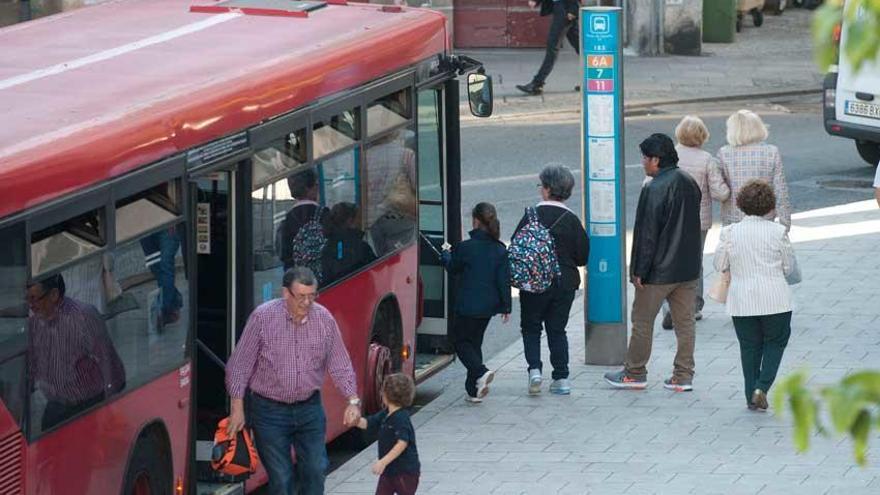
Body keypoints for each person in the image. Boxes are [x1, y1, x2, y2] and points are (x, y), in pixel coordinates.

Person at [225, 267, 361, 495]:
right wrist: (237, 407)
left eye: (312, 295)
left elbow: (340, 363)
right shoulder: (263, 318)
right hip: (269, 412)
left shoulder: (324, 319)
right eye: (301, 297)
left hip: (309, 409)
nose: (307, 302)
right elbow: (239, 366)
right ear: (286, 293)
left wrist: (353, 400)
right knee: (281, 479)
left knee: (316, 471)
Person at [604, 134, 702, 392]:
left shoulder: (654, 187)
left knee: (642, 321)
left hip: (659, 271)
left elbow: (647, 234)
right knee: (685, 323)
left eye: (645, 158)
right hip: (688, 269)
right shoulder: (689, 181)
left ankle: (634, 372)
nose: (642, 162)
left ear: (656, 160)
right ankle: (683, 375)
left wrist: (639, 270)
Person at [714, 180, 797, 411]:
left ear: (741, 204)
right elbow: (788, 267)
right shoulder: (778, 231)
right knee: (776, 342)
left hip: (742, 300)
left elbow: (719, 263)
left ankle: (751, 393)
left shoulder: (729, 232)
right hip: (776, 298)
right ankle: (762, 387)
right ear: (770, 205)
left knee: (749, 347)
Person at [513, 165, 589, 395]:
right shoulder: (571, 220)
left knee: (531, 327)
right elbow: (582, 256)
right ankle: (561, 378)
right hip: (564, 283)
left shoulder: (531, 216)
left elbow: (517, 247)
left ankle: (534, 370)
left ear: (546, 189)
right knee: (557, 330)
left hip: (534, 283)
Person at [27, 274, 126, 431]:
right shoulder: (34, 324)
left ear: (53, 295)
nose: (31, 305)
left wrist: (110, 410)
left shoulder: (83, 317)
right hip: (56, 406)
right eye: (28, 300)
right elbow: (31, 365)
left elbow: (108, 362)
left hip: (88, 404)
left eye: (35, 299)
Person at [659, 116, 731, 330]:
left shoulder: (667, 155)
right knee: (693, 262)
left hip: (668, 219)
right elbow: (720, 192)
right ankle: (693, 306)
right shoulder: (707, 159)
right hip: (696, 221)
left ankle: (668, 305)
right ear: (702, 135)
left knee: (669, 260)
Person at [441, 203, 511, 403]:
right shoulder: (499, 249)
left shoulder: (465, 247)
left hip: (467, 305)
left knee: (460, 341)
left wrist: (446, 254)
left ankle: (481, 371)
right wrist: (506, 306)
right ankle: (474, 390)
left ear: (476, 221)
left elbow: (453, 268)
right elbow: (503, 280)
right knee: (474, 343)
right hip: (488, 308)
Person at [717, 110, 792, 231]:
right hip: (765, 217)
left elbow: (720, 190)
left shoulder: (724, 153)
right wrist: (785, 223)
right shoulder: (771, 152)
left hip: (734, 219)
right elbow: (780, 190)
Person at [354, 373, 420, 495]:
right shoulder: (386, 413)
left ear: (386, 395)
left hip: (405, 472)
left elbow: (402, 443)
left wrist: (382, 462)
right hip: (389, 472)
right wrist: (355, 421)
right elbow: (368, 423)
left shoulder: (401, 418)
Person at [516, 0, 582, 96]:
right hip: (562, 7)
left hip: (566, 9)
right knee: (581, 46)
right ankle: (592, 79)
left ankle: (537, 83)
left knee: (553, 47)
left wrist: (573, 10)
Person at [280, 168, 327, 271]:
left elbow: (285, 255)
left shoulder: (288, 218)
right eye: (316, 184)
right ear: (311, 187)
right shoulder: (325, 214)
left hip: (299, 277)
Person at [321, 202, 377, 285]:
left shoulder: (327, 245)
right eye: (358, 218)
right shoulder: (360, 246)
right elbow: (376, 267)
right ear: (350, 220)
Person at [140, 226, 183, 328]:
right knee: (156, 267)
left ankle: (164, 309)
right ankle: (174, 302)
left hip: (167, 224)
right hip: (143, 226)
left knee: (166, 265)